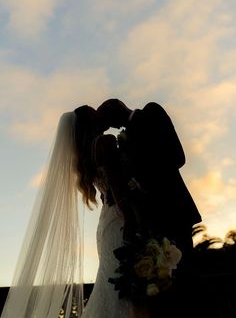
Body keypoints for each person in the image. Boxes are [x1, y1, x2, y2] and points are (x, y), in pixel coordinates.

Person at [1, 105, 142, 318]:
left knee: (113, 286)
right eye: (93, 111)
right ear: (89, 124)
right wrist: (131, 221)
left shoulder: (86, 155)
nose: (99, 110)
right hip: (120, 220)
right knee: (125, 286)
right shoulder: (104, 143)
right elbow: (118, 188)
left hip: (107, 224)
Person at [97, 99, 202, 273]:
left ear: (116, 109)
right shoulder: (124, 139)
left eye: (110, 121)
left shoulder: (151, 112)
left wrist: (141, 179)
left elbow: (177, 157)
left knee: (185, 271)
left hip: (174, 208)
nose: (113, 127)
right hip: (151, 219)